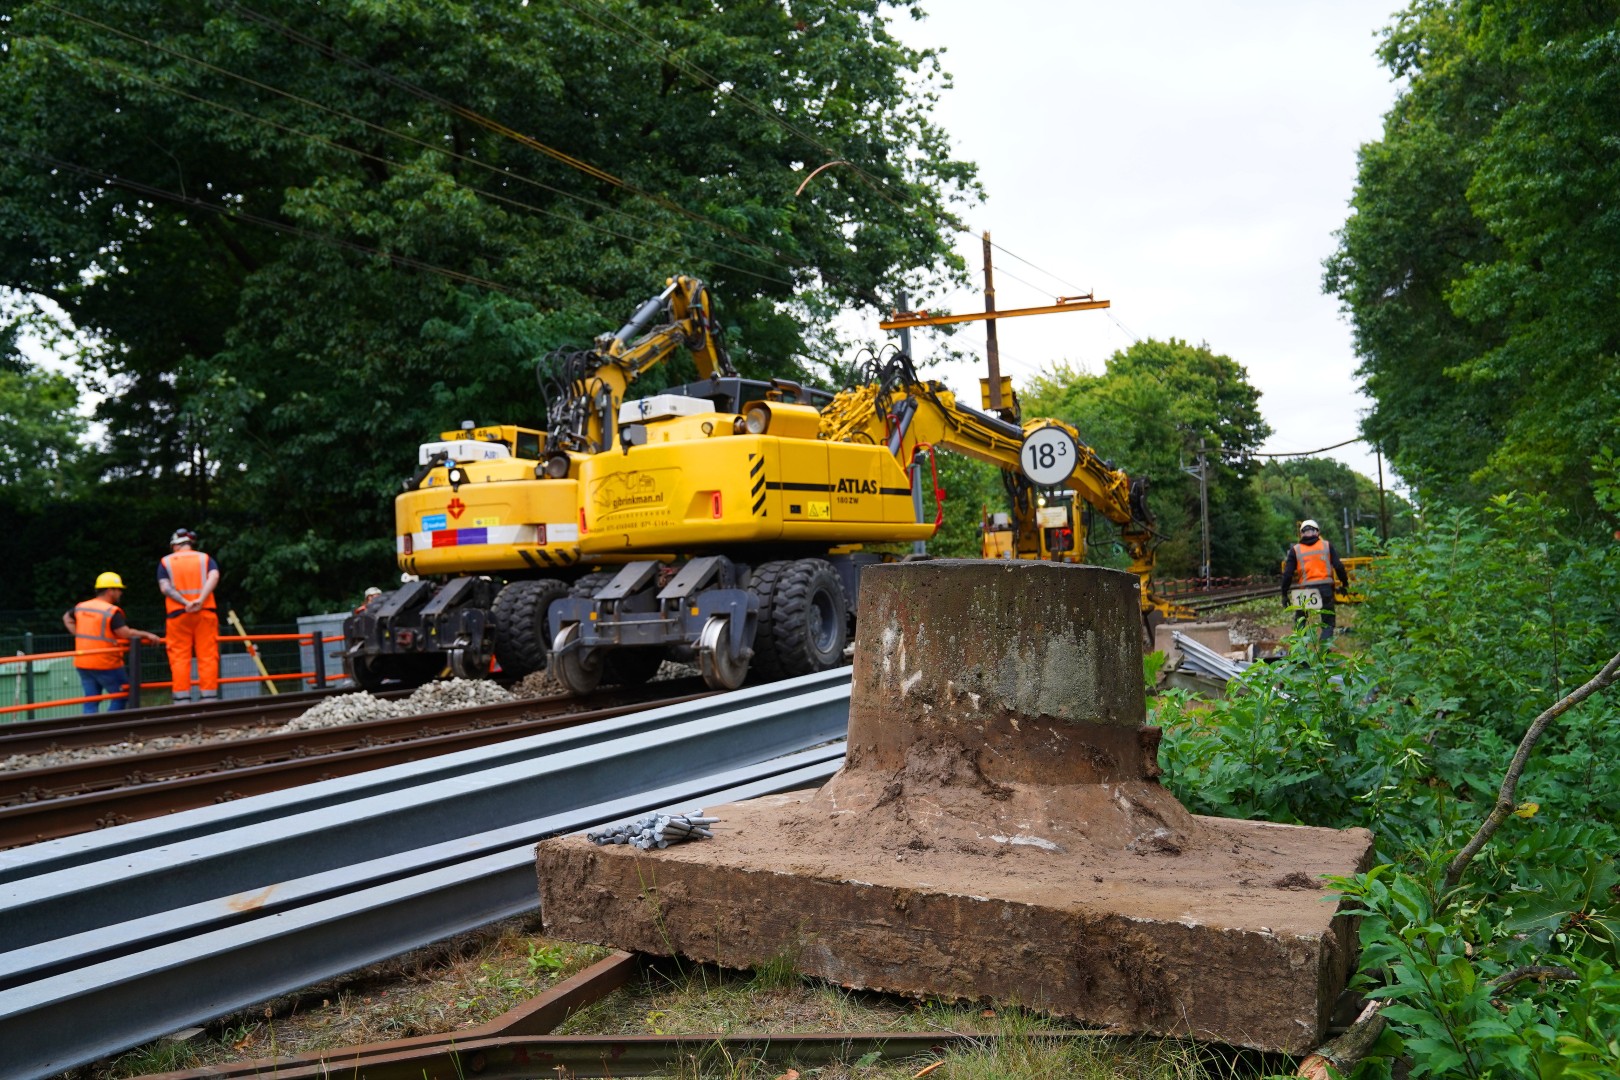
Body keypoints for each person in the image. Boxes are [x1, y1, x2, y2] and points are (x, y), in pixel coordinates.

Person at [62, 572, 163, 713]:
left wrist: (79, 634)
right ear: (110, 591)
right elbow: (125, 633)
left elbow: (67, 618)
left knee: (91, 699)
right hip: (105, 662)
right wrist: (146, 634)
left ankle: (89, 731)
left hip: (83, 661)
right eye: (119, 590)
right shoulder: (110, 611)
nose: (121, 593)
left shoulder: (82, 607)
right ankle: (110, 727)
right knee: (122, 696)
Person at [158, 528, 222, 702]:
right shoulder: (205, 558)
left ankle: (181, 700)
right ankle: (209, 698)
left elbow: (165, 588)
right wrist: (200, 600)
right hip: (205, 612)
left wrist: (185, 603)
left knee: (179, 657)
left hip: (178, 615)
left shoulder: (166, 562)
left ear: (175, 545)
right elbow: (214, 577)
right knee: (208, 656)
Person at [1280, 519, 1351, 643]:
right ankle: (1323, 653)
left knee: (1301, 622)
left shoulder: (1295, 550)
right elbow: (1339, 566)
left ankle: (1303, 656)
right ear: (1317, 532)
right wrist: (1345, 584)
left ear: (1301, 534)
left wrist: (1284, 594)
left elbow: (1287, 574)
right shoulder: (1327, 546)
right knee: (1328, 623)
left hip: (1305, 591)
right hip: (1325, 589)